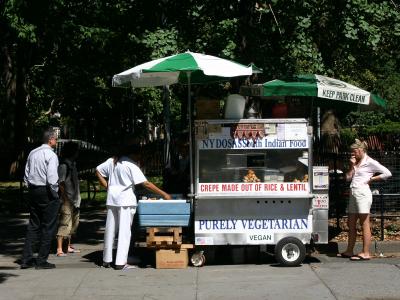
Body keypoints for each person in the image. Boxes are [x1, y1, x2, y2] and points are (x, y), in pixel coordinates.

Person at [96, 144, 171, 270]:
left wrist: (107, 186)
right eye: (139, 155)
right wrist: (164, 194)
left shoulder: (112, 161)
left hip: (112, 199)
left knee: (110, 230)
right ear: (133, 154)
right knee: (125, 232)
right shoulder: (130, 164)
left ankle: (107, 259)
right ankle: (121, 262)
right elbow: (146, 183)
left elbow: (98, 170)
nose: (139, 157)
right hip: (125, 201)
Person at [338, 139, 391, 261]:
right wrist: (352, 165)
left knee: (364, 222)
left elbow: (387, 173)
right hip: (353, 192)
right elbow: (347, 178)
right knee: (350, 223)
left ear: (361, 150)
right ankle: (349, 250)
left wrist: (372, 179)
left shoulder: (370, 162)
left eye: (354, 152)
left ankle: (366, 252)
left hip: (363, 193)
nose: (353, 154)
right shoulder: (355, 162)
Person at [21, 128, 60, 269]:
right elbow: (52, 178)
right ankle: (41, 260)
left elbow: (26, 172)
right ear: (50, 140)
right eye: (55, 138)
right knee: (48, 226)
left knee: (33, 224)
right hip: (46, 191)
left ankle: (26, 259)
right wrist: (55, 193)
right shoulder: (51, 155)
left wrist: (29, 186)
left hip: (33, 189)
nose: (56, 141)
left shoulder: (33, 152)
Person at [56, 142, 81, 257]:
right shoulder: (64, 165)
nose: (78, 153)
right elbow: (60, 182)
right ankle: (59, 248)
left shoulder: (73, 164)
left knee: (74, 223)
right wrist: (65, 197)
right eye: (76, 150)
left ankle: (68, 246)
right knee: (64, 223)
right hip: (67, 198)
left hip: (75, 198)